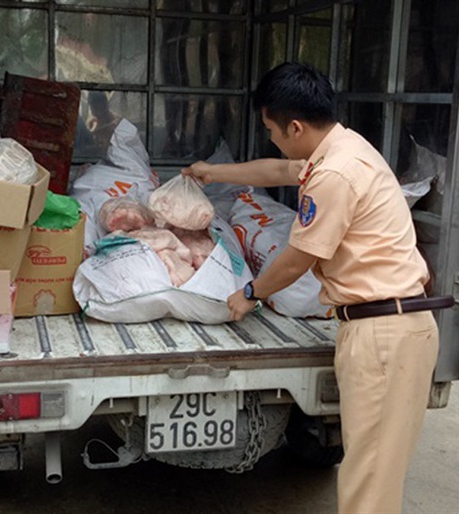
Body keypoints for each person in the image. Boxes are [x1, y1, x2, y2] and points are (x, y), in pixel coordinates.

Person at [182, 62, 442, 514]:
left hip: (384, 334)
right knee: (372, 475)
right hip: (389, 326)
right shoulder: (344, 148)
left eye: (272, 129)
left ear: (296, 125)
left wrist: (248, 295)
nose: (272, 138)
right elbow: (277, 171)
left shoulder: (335, 175)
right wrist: (215, 172)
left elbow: (299, 258)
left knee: (370, 483)